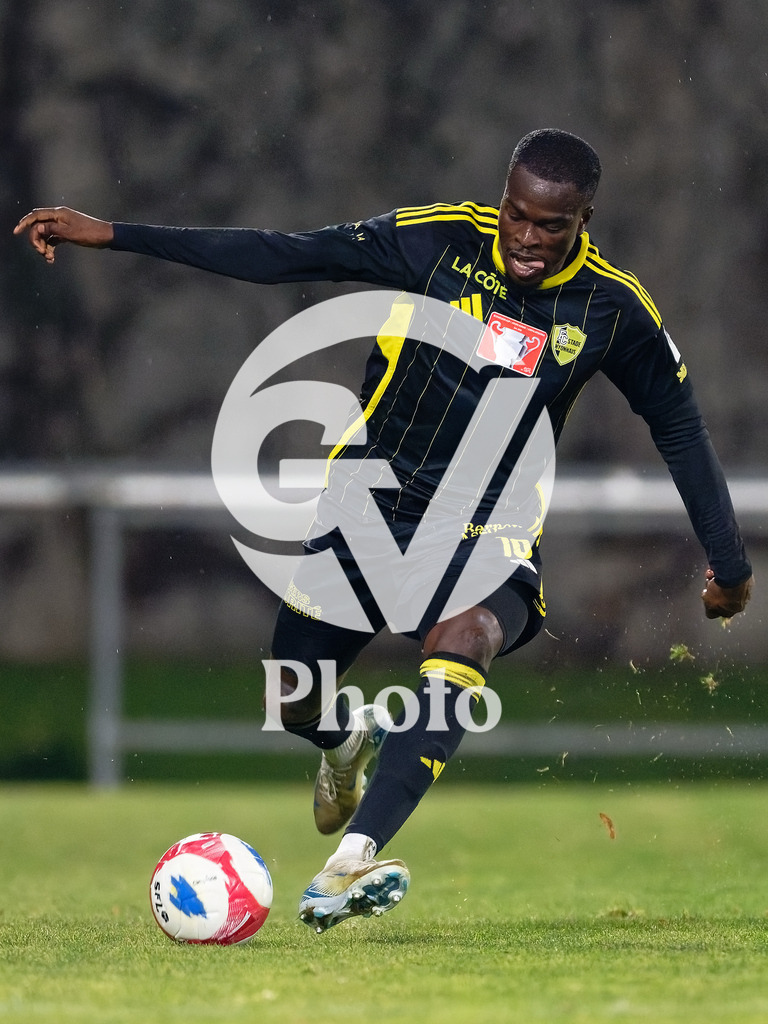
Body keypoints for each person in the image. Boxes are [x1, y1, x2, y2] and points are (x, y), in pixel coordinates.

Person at [15, 128, 753, 933]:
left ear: (585, 220)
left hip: (486, 525)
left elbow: (679, 427)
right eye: (517, 215)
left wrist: (730, 563)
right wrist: (115, 233)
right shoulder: (435, 241)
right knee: (294, 691)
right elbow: (284, 253)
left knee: (465, 634)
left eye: (552, 225)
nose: (528, 239)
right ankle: (343, 743)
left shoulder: (612, 309)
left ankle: (349, 862)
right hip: (368, 507)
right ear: (502, 198)